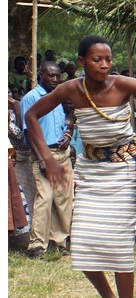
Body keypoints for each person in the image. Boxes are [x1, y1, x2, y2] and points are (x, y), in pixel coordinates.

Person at [24, 35, 136, 298]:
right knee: (81, 242)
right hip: (90, 171)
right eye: (97, 59)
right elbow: (30, 116)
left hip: (123, 170)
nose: (105, 65)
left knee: (120, 245)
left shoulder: (122, 84)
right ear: (82, 62)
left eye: (108, 59)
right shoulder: (72, 89)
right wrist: (48, 159)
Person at [20, 61, 74, 258]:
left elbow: (69, 117)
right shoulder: (31, 98)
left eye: (58, 76)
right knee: (45, 198)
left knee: (63, 199)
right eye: (51, 76)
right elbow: (29, 132)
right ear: (41, 75)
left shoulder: (58, 97)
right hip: (44, 154)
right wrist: (42, 159)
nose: (55, 79)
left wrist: (68, 133)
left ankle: (59, 242)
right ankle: (36, 246)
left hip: (63, 153)